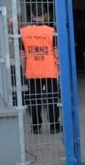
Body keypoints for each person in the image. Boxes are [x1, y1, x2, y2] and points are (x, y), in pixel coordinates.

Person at [20, 7, 61, 135]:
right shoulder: (51, 31)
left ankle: (36, 126)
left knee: (34, 99)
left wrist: (24, 71)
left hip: (33, 70)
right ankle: (54, 126)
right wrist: (58, 67)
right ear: (44, 16)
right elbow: (56, 52)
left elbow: (22, 54)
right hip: (49, 69)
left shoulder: (23, 32)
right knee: (52, 98)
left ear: (32, 15)